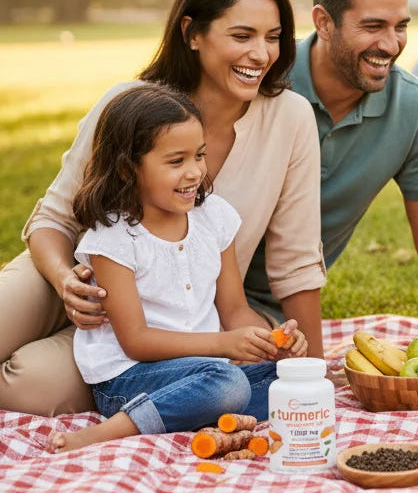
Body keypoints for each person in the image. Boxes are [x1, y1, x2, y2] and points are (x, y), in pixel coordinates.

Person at [0, 0, 325, 416]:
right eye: (241, 35)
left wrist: (307, 364)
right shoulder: (127, 105)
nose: (262, 54)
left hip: (160, 325)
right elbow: (52, 219)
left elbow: (296, 262)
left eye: (273, 37)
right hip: (73, 275)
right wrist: (64, 279)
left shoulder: (290, 118)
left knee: (27, 385)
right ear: (192, 33)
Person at [46, 85, 307, 453]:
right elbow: (135, 340)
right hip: (128, 378)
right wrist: (221, 346)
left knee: (292, 379)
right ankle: (108, 432)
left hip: (203, 369)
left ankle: (187, 411)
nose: (194, 172)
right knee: (227, 383)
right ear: (127, 169)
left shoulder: (214, 217)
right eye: (176, 161)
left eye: (199, 156)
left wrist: (272, 343)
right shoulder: (114, 239)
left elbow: (233, 310)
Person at [244, 0, 418, 336]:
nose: (390, 44)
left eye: (400, 26)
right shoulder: (259, 82)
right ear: (323, 22)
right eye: (372, 26)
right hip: (201, 299)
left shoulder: (414, 108)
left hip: (286, 317)